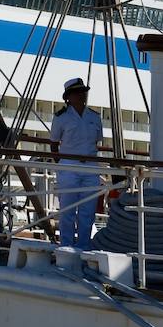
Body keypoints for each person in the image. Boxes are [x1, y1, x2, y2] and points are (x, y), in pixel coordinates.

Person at [49, 77, 104, 249]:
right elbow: (53, 145)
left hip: (90, 167)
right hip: (69, 167)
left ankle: (83, 247)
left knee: (87, 213)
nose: (82, 95)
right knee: (67, 212)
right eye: (78, 92)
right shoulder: (61, 118)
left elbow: (97, 142)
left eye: (83, 92)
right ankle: (66, 247)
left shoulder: (94, 117)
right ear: (68, 97)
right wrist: (62, 165)